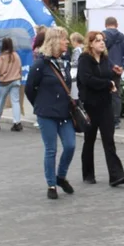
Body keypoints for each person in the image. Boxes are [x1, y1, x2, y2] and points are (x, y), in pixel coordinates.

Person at [24, 26, 77, 200]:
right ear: (55, 41)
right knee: (51, 149)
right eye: (64, 39)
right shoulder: (41, 63)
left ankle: (60, 176)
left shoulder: (65, 61)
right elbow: (30, 88)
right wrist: (40, 105)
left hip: (64, 111)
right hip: (47, 113)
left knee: (70, 145)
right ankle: (51, 184)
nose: (67, 42)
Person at [77, 31, 124, 187]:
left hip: (105, 104)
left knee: (109, 139)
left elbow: (108, 76)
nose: (102, 43)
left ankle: (116, 175)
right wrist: (107, 84)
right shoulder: (84, 59)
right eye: (98, 40)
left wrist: (115, 75)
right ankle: (88, 174)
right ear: (90, 43)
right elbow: (87, 79)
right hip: (90, 105)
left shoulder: (105, 59)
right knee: (89, 140)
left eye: (103, 40)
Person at [102, 17, 124, 129]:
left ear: (106, 24)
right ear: (117, 24)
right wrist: (122, 67)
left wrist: (111, 65)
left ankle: (105, 119)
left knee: (103, 94)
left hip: (104, 69)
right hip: (117, 71)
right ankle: (116, 120)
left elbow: (101, 54)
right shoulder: (122, 37)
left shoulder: (102, 37)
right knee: (116, 94)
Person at [0, 36, 23, 131]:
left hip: (4, 81)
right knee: (16, 102)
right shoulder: (16, 55)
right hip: (16, 80)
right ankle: (17, 122)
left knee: (0, 101)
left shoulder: (1, 57)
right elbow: (20, 68)